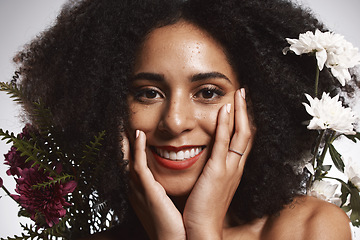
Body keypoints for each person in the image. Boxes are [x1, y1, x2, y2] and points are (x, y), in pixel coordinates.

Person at [14, 0, 353, 239]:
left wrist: (204, 228)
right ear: (106, 106)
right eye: (148, 93)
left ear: (257, 106)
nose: (175, 122)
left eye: (207, 92)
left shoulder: (310, 230)